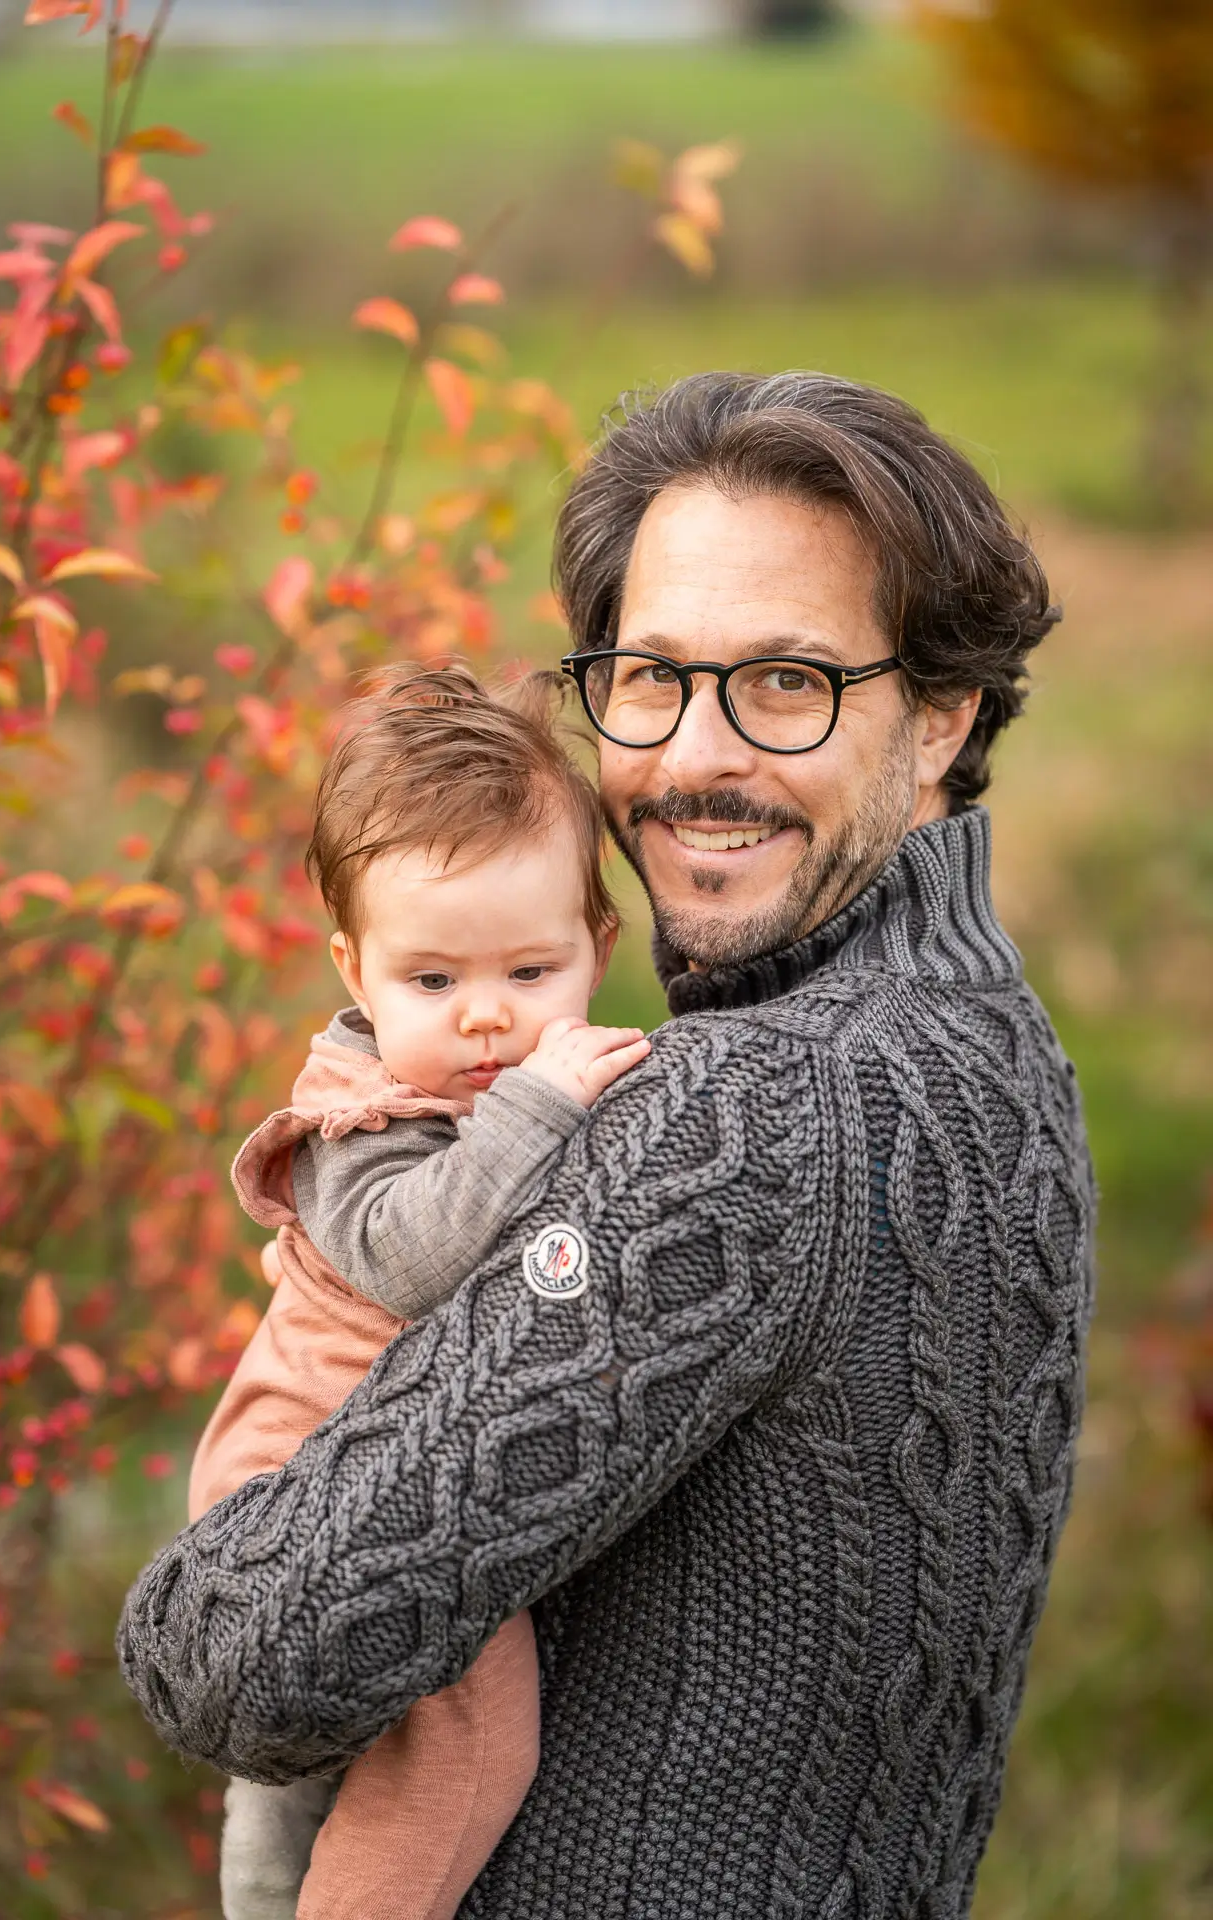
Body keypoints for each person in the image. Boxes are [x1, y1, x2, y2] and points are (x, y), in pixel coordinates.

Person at [120, 371, 1096, 1917]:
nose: (693, 757)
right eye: (650, 676)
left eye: (786, 683)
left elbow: (231, 1660)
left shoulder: (746, 1113)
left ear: (940, 717)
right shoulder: (997, 1049)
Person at [190, 668, 649, 1919]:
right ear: (354, 966)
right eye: (432, 983)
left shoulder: (503, 1071)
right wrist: (543, 1106)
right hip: (308, 1475)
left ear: (596, 947)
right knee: (464, 1746)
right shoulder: (360, 1121)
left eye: (532, 969)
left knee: (317, 1773)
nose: (490, 1022)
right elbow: (409, 1256)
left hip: (358, 1467)